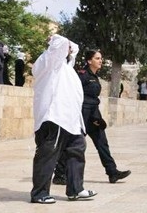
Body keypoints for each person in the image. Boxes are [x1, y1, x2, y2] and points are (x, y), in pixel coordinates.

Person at [30, 34, 96, 204]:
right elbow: (62, 44)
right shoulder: (48, 62)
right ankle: (39, 193)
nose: (68, 49)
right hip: (54, 118)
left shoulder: (67, 67)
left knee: (77, 150)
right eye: (65, 48)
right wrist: (54, 39)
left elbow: (73, 47)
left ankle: (75, 189)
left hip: (71, 120)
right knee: (48, 154)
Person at [53, 50, 131, 185]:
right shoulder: (82, 75)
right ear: (89, 61)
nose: (100, 61)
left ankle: (112, 172)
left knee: (102, 142)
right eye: (97, 58)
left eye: (101, 58)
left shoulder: (95, 77)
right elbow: (73, 94)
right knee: (73, 143)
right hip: (82, 114)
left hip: (94, 115)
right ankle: (60, 174)